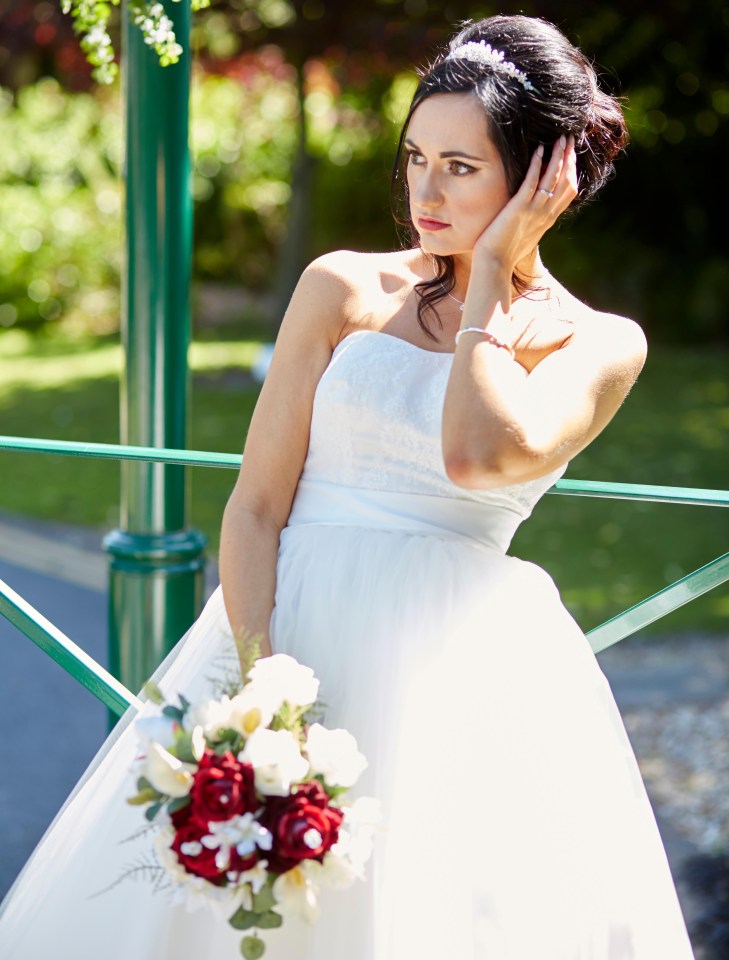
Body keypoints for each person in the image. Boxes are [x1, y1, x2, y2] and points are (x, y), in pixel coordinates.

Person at [0, 14, 696, 959]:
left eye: (461, 166)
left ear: (541, 178)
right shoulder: (341, 287)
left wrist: (487, 281)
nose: (424, 190)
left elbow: (475, 458)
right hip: (284, 639)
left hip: (458, 673)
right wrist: (260, 701)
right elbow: (254, 507)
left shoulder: (600, 342)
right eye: (416, 157)